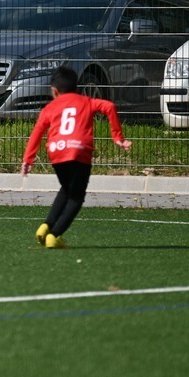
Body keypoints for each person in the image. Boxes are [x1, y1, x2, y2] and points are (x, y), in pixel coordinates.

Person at [21, 65, 131, 248]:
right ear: (76, 87)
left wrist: (28, 159)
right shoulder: (86, 101)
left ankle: (45, 226)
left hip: (56, 151)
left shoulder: (49, 108)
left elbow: (37, 132)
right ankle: (54, 235)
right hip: (79, 150)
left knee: (66, 189)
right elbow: (109, 106)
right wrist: (117, 137)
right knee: (76, 198)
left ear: (54, 91)